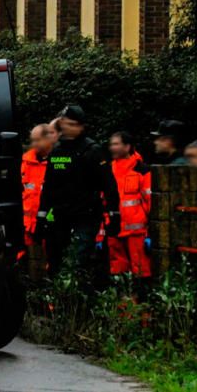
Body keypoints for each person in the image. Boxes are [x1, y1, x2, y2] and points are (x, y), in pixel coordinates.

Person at [35, 105, 121, 277]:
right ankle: (61, 298)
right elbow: (49, 185)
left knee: (78, 261)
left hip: (85, 216)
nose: (68, 128)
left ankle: (80, 297)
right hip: (60, 216)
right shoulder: (57, 151)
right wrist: (41, 216)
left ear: (81, 126)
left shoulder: (92, 151)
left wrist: (114, 213)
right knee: (56, 260)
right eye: (66, 123)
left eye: (73, 124)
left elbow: (109, 185)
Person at [106, 132, 152, 279]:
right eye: (111, 144)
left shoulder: (141, 170)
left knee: (139, 268)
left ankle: (138, 299)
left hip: (136, 231)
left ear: (127, 146)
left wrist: (149, 230)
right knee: (118, 269)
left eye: (116, 144)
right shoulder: (107, 169)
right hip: (113, 227)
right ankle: (122, 300)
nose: (112, 147)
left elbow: (148, 200)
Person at [22, 123, 57, 247]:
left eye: (37, 140)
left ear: (48, 139)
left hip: (50, 223)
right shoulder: (25, 161)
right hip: (27, 226)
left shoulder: (58, 162)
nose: (34, 144)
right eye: (33, 140)